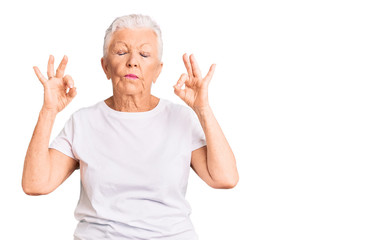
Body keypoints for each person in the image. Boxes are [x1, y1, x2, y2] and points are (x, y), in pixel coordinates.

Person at [22, 14, 239, 240]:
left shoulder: (180, 118)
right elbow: (35, 184)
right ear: (105, 66)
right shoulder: (83, 122)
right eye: (121, 52)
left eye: (144, 54)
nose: (132, 61)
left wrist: (202, 109)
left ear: (158, 70)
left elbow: (225, 178)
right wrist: (48, 111)